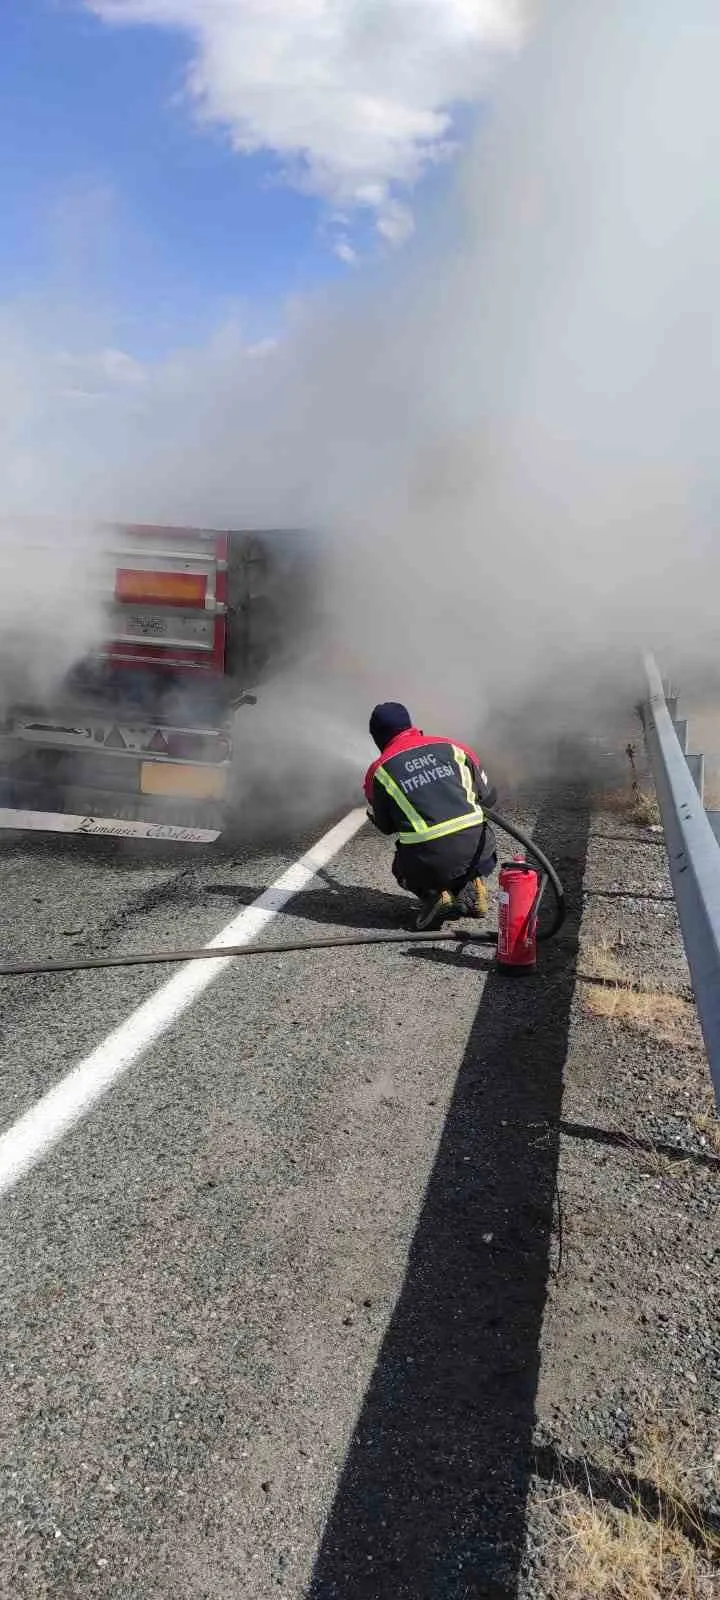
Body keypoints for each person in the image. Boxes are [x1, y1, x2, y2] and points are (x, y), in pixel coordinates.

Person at [364, 702, 498, 930]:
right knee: (466, 842)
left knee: (402, 865)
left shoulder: (379, 771)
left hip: (427, 863)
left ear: (377, 736)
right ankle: (471, 882)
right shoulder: (454, 748)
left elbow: (387, 827)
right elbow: (489, 798)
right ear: (410, 725)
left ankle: (433, 894)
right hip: (480, 852)